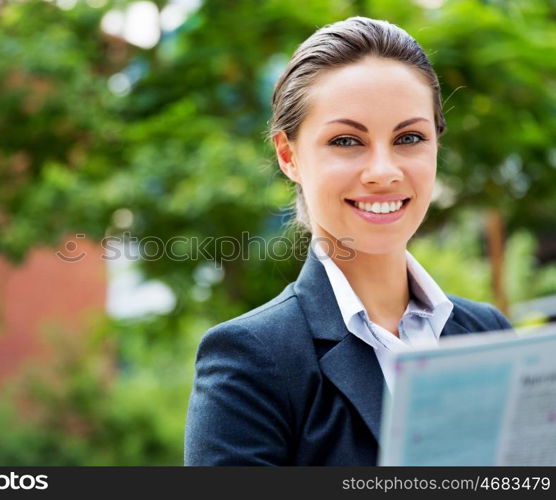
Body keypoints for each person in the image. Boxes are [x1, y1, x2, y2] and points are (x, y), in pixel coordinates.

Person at [184, 16, 514, 466]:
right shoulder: (252, 360)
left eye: (410, 137)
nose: (383, 171)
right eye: (346, 140)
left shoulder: (487, 334)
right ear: (289, 155)